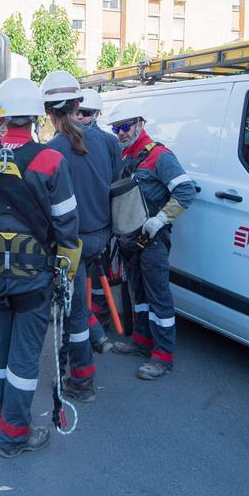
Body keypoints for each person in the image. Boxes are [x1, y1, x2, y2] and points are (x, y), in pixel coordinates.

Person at [0, 78, 81, 458]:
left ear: (0, 117)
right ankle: (14, 434)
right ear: (35, 116)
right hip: (34, 278)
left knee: (2, 348)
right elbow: (67, 227)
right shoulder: (51, 161)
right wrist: (67, 274)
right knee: (26, 357)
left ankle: (1, 406)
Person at [41, 72, 119, 402]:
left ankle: (82, 380)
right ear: (78, 105)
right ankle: (97, 333)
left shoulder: (53, 150)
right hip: (101, 237)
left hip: (73, 243)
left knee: (72, 312)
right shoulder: (109, 142)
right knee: (76, 305)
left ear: (48, 112)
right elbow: (114, 186)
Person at [107, 102, 196, 380]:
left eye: (125, 127)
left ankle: (162, 355)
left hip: (152, 240)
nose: (120, 133)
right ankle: (142, 340)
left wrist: (161, 219)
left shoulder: (160, 156)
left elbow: (185, 191)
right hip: (130, 240)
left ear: (140, 124)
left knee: (158, 297)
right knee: (139, 294)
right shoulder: (125, 158)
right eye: (116, 128)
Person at [75, 86, 123, 351]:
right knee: (89, 275)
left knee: (88, 277)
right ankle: (94, 320)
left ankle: (95, 319)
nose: (81, 117)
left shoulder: (107, 141)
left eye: (86, 113)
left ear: (96, 114)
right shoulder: (109, 142)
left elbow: (116, 182)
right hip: (99, 227)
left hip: (87, 227)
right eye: (79, 112)